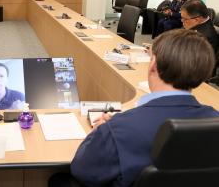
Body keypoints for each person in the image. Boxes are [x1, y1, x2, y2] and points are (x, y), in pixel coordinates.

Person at [49, 29, 219, 187]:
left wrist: (98, 132)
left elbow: (83, 171)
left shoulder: (118, 128)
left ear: (153, 64)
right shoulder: (215, 120)